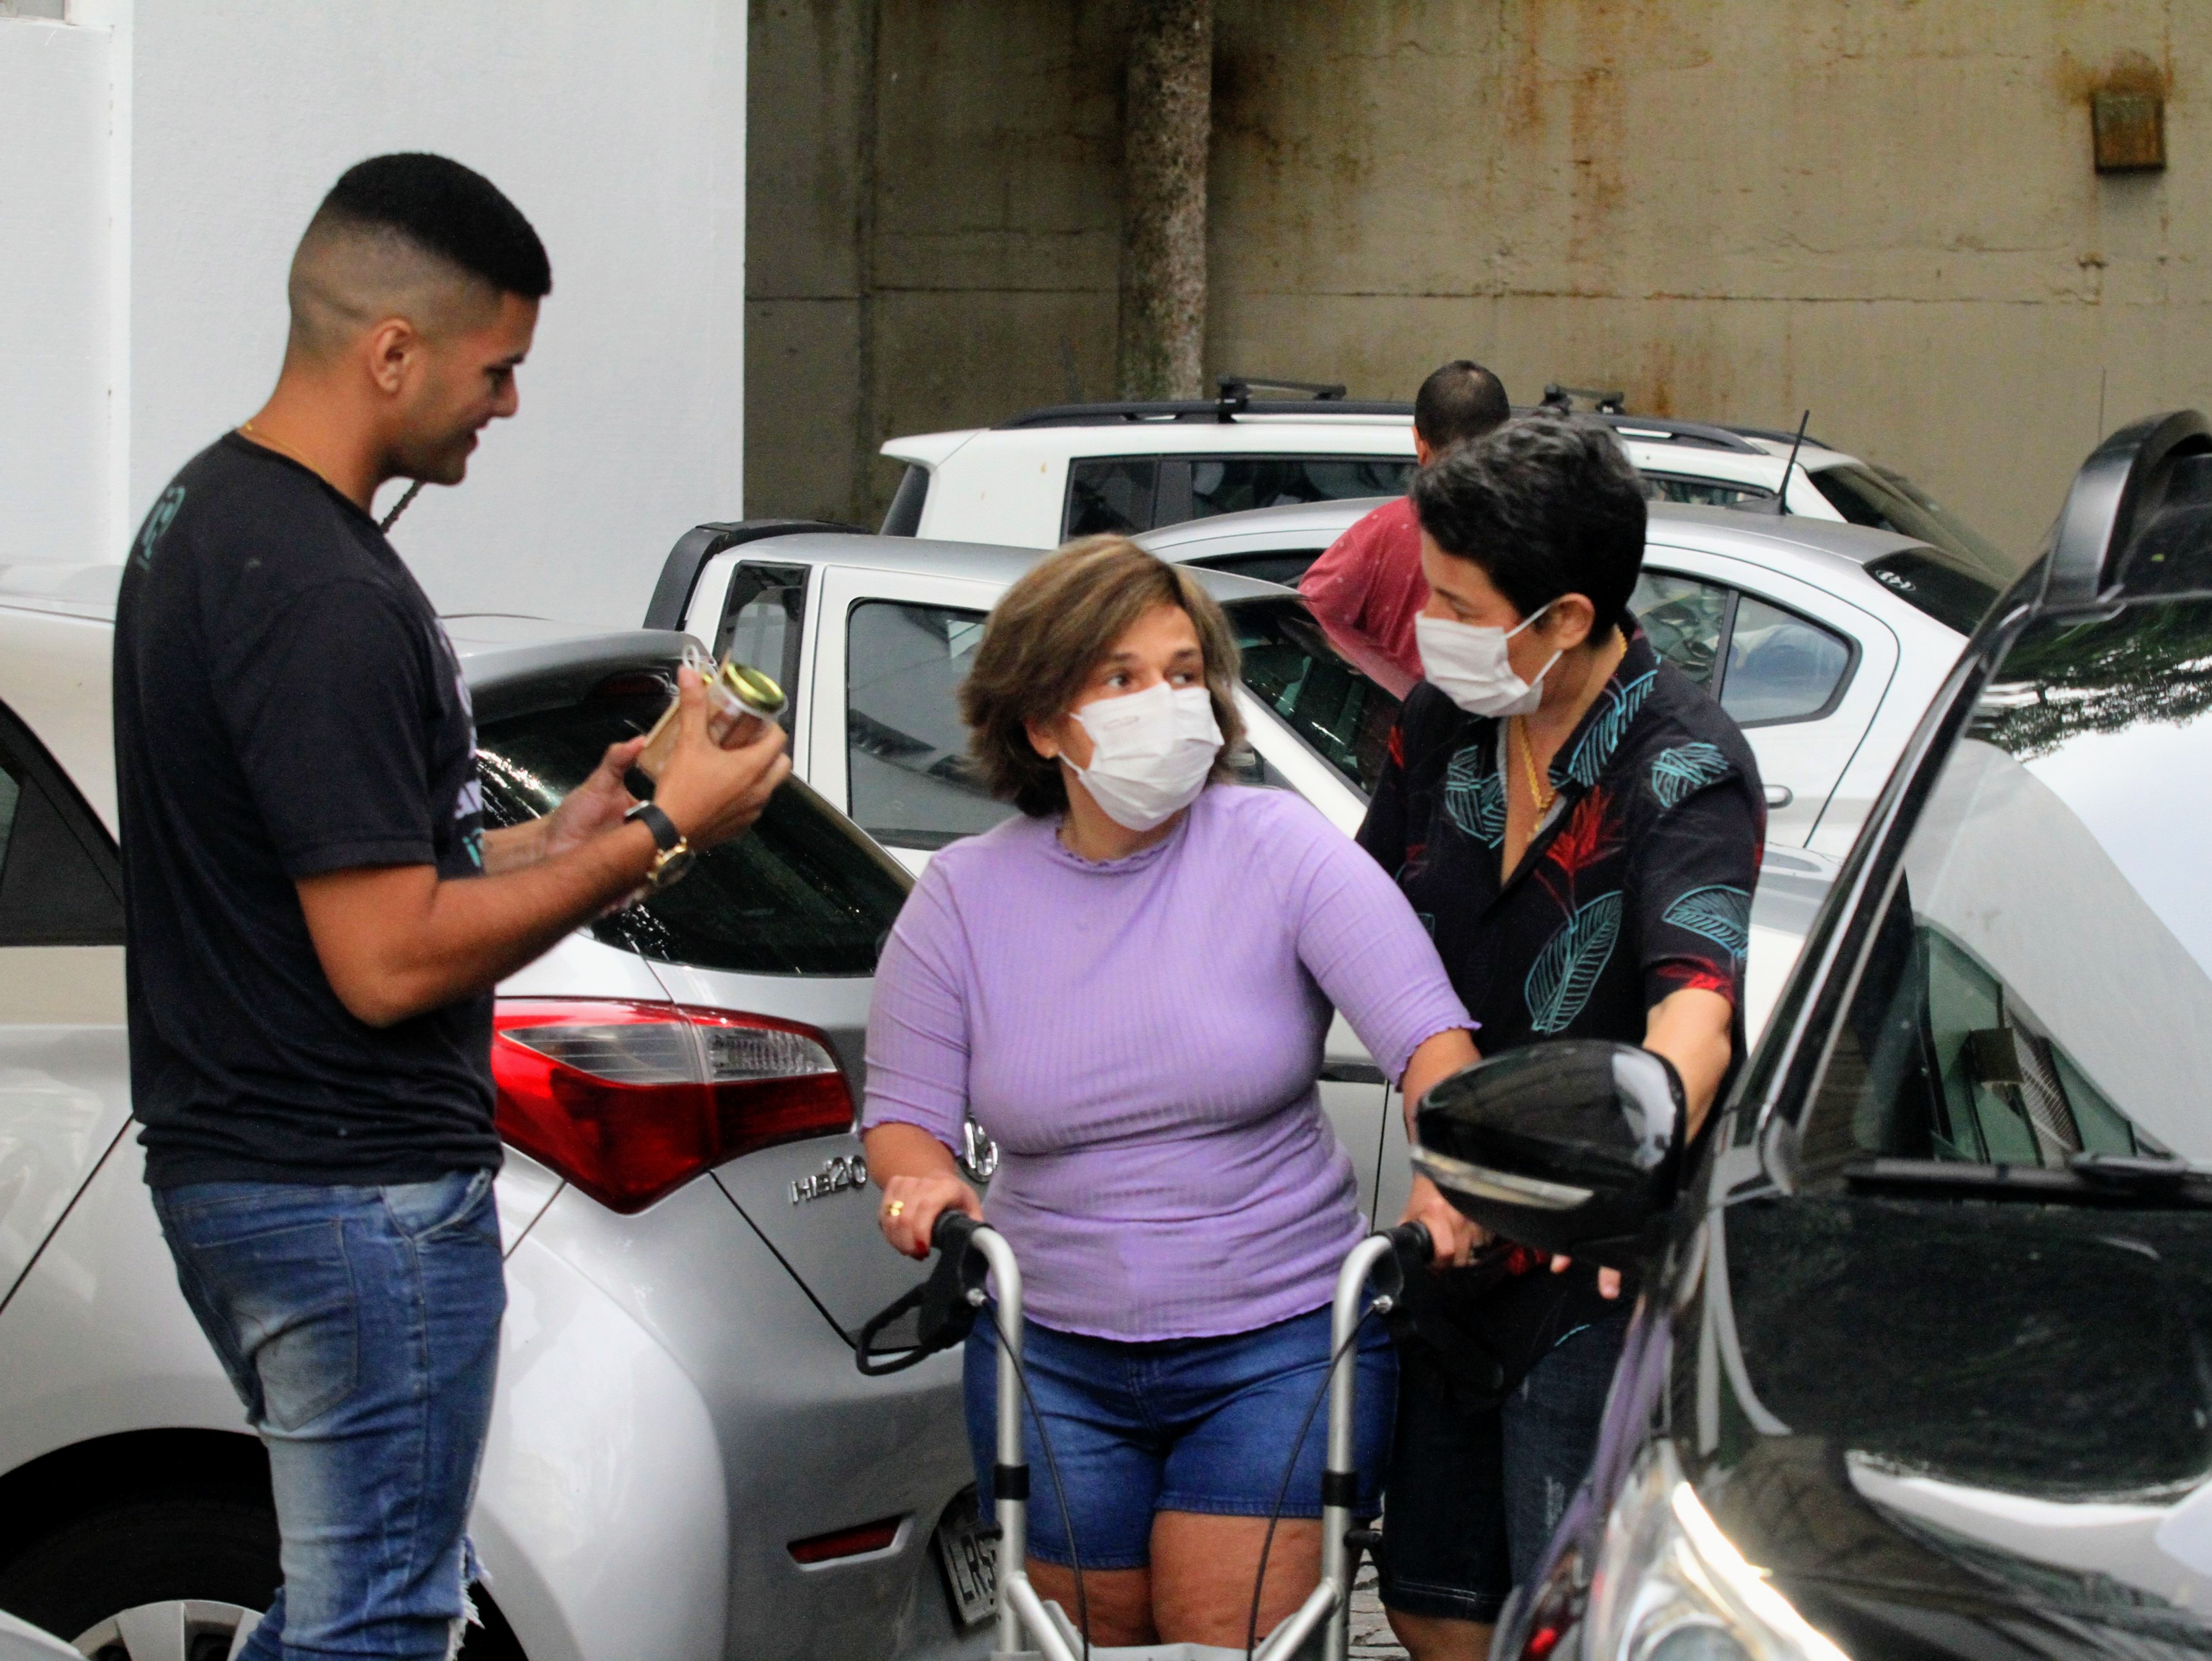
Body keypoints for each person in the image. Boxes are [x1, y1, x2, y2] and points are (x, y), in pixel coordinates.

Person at [115, 153, 788, 1660]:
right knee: (384, 1619)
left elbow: (354, 880)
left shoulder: (211, 519)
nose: (508, 405)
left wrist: (576, 824)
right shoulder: (320, 589)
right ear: (392, 351)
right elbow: (382, 960)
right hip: (344, 1187)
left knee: (343, 1600)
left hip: (257, 1166)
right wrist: (674, 827)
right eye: (498, 370)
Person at [858, 536, 1481, 1648]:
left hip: (1278, 1346)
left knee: (1219, 1642)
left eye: (1184, 671)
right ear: (1042, 724)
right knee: (1082, 1649)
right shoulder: (961, 896)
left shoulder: (1282, 847)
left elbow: (1431, 1048)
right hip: (1049, 1350)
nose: (1166, 701)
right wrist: (922, 1190)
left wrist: (1447, 1176)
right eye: (1122, 677)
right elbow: (905, 1115)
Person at [1359, 414, 1766, 1661]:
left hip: (1595, 1281)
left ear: (1568, 620)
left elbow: (1696, 1010)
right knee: (1429, 1600)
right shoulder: (1442, 725)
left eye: (1455, 602)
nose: (1427, 624)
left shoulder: (1685, 766)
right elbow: (1356, 916)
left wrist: (1612, 1172)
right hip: (1448, 1251)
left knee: (1567, 1616)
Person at [1298, 360, 1512, 697]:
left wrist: (1380, 669)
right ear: (1506, 443)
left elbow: (1308, 618)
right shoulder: (1540, 533)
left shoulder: (1384, 530)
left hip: (1391, 734)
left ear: (1419, 444)